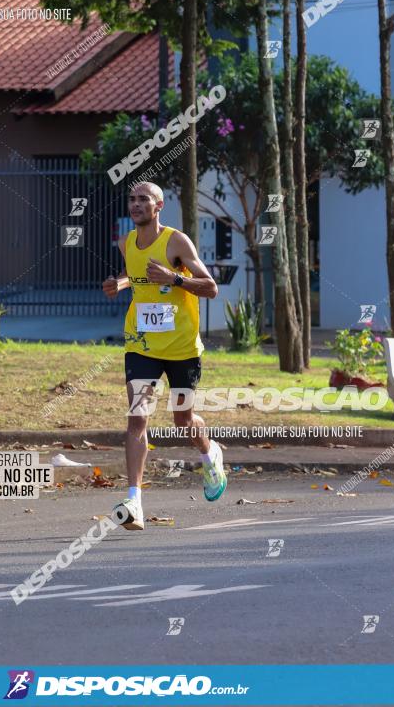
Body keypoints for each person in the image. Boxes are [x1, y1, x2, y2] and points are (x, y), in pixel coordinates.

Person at [102, 181, 227, 531]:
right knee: (137, 418)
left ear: (158, 207)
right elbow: (136, 275)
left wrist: (175, 278)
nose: (136, 204)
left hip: (182, 348)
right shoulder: (126, 242)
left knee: (183, 422)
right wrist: (120, 284)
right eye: (132, 199)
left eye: (144, 199)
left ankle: (209, 454)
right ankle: (134, 501)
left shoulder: (176, 241)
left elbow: (211, 287)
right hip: (141, 345)